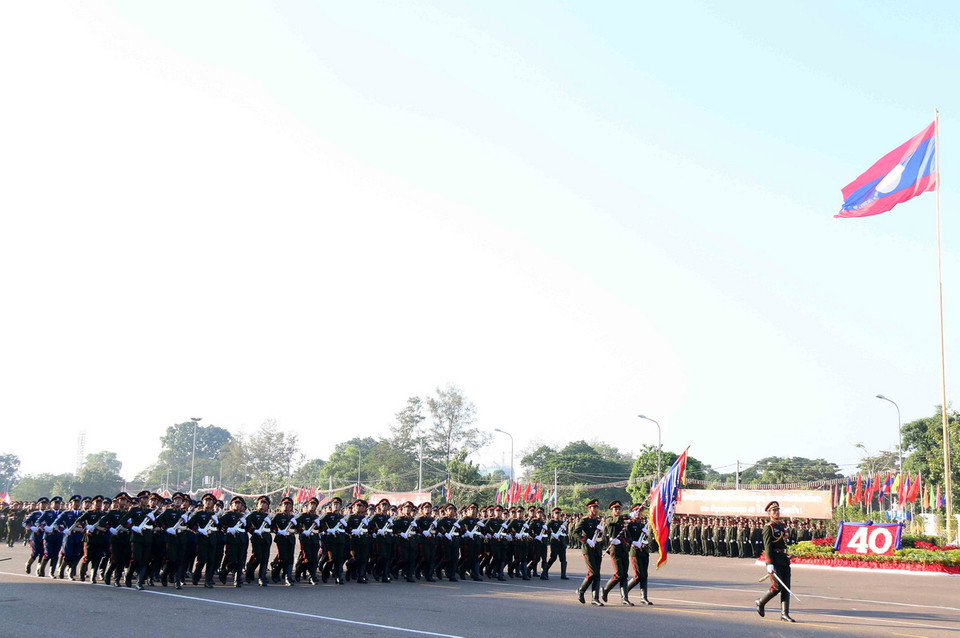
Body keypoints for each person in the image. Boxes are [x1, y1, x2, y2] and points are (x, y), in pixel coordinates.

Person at [756, 501, 796, 622]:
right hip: (774, 560)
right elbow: (768, 546)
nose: (776, 512)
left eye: (778, 510)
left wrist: (788, 554)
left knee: (786, 587)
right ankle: (761, 602)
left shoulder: (782, 526)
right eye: (774, 511)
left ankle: (784, 614)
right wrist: (769, 563)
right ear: (769, 513)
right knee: (777, 587)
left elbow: (784, 543)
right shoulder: (768, 527)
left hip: (784, 559)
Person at [572, 499, 604, 606]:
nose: (595, 509)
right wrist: (586, 540)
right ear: (589, 509)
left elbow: (601, 537)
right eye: (593, 507)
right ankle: (581, 590)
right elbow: (575, 533)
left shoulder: (598, 521)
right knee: (593, 573)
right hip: (588, 549)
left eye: (597, 507)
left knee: (597, 574)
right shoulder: (585, 520)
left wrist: (601, 533)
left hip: (597, 549)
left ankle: (595, 598)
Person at [601, 501, 633, 606]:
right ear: (612, 510)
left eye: (619, 509)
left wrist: (628, 542)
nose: (618, 511)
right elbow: (615, 520)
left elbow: (627, 535)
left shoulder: (623, 522)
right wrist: (628, 515)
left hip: (623, 549)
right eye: (616, 509)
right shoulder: (610, 519)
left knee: (624, 575)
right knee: (619, 574)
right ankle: (605, 589)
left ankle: (625, 598)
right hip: (615, 549)